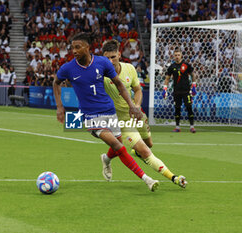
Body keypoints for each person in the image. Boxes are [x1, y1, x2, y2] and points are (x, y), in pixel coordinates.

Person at [53, 32, 159, 192]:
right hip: (90, 116)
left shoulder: (102, 63)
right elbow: (56, 82)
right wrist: (59, 106)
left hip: (109, 111)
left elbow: (119, 84)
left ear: (88, 48)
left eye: (78, 47)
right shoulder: (68, 68)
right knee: (118, 145)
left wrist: (131, 105)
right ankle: (147, 179)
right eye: (72, 47)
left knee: (119, 146)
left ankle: (106, 159)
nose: (74, 51)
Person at [102, 40, 187, 188]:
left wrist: (137, 106)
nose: (110, 61)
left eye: (113, 57)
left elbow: (138, 90)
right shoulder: (101, 76)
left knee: (149, 144)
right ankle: (174, 177)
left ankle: (107, 158)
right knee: (145, 151)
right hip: (121, 121)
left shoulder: (129, 69)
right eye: (106, 58)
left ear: (119, 55)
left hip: (137, 114)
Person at [162, 47, 197, 133]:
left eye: (178, 55)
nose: (177, 56)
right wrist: (164, 89)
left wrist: (194, 86)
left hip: (186, 91)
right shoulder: (171, 67)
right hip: (176, 91)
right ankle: (177, 127)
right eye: (175, 55)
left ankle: (192, 126)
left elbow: (193, 75)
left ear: (181, 55)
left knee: (189, 108)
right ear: (173, 56)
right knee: (177, 108)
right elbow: (167, 79)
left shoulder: (186, 65)